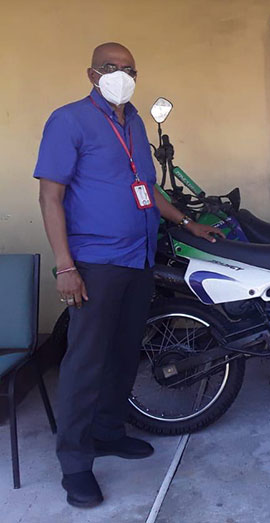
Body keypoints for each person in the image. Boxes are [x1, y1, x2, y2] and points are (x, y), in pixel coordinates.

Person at [34, 42, 223, 508]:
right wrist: (65, 265)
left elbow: (147, 189)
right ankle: (76, 463)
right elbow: (50, 198)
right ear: (91, 73)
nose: (121, 74)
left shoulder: (136, 121)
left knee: (123, 354)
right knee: (84, 363)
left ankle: (108, 432)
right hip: (95, 262)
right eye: (111, 67)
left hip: (138, 257)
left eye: (129, 69)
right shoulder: (69, 120)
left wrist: (185, 221)